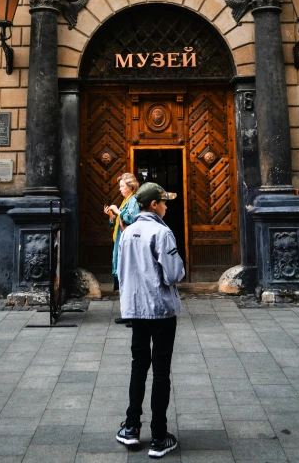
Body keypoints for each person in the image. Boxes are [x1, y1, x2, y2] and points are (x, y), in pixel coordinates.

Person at [116, 182, 185, 458]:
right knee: (161, 371)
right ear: (154, 205)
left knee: (138, 366)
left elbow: (121, 271)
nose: (167, 206)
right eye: (165, 202)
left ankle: (131, 427)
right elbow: (173, 274)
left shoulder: (129, 231)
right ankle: (158, 436)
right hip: (161, 309)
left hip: (135, 310)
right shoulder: (162, 232)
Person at [103, 172, 140, 322]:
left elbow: (132, 218)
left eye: (122, 186)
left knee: (130, 278)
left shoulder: (134, 200)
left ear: (131, 186)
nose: (120, 189)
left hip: (129, 245)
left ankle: (134, 315)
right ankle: (128, 312)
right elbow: (120, 222)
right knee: (124, 279)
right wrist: (112, 216)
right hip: (121, 243)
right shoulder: (126, 200)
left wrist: (118, 211)